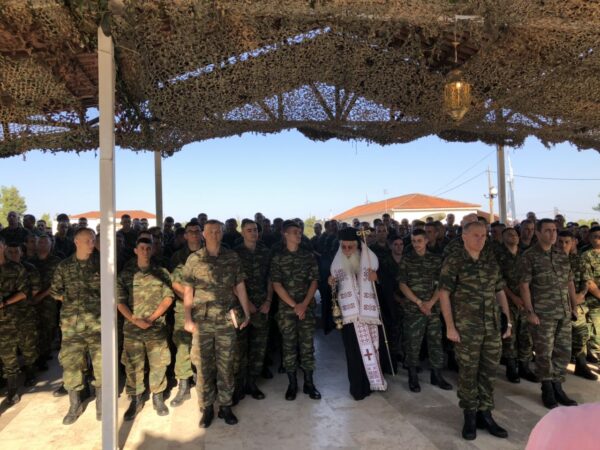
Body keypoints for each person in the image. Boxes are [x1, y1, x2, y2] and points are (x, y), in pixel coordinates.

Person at [439, 221, 512, 441]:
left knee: (489, 372)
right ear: (464, 236)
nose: (481, 239)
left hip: (491, 327)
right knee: (468, 373)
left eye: (484, 235)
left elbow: (500, 291)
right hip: (466, 329)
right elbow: (444, 294)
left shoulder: (490, 261)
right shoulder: (454, 261)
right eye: (476, 235)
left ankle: (485, 414)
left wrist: (507, 321)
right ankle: (470, 416)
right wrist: (450, 326)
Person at [182, 220, 252, 428]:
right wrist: (187, 318)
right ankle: (206, 407)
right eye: (210, 231)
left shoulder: (232, 257)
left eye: (218, 231)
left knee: (226, 364)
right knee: (203, 366)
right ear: (203, 234)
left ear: (222, 234)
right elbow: (188, 291)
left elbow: (240, 286)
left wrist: (247, 313)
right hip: (202, 321)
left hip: (225, 319)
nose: (214, 234)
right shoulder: (194, 259)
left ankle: (225, 406)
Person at [519, 219, 579, 409]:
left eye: (554, 230)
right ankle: (547, 389)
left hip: (563, 312)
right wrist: (530, 312)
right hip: (543, 314)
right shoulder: (529, 256)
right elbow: (524, 286)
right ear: (538, 233)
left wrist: (574, 306)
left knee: (563, 351)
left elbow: (569, 283)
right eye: (547, 231)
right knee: (544, 353)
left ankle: (558, 386)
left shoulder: (561, 254)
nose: (552, 234)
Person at [117, 238, 174, 420]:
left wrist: (151, 318)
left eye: (148, 248)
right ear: (135, 250)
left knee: (158, 363)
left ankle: (158, 396)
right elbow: (120, 302)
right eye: (141, 248)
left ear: (152, 250)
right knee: (133, 365)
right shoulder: (126, 274)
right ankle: (136, 399)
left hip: (155, 327)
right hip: (132, 329)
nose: (145, 251)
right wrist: (135, 320)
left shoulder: (162, 272)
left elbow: (168, 298)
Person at [50, 228, 102, 424]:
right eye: (88, 240)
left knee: (101, 364)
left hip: (98, 323)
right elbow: (55, 291)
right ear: (76, 242)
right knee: (71, 364)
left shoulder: (101, 264)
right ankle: (75, 405)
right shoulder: (64, 266)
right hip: (72, 325)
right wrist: (72, 302)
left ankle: (102, 404)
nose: (92, 244)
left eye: (93, 240)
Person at [329, 227, 387, 400]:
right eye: (344, 247)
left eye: (350, 247)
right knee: (353, 354)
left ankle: (372, 383)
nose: (347, 250)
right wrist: (330, 283)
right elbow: (331, 292)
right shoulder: (336, 265)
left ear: (358, 246)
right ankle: (357, 388)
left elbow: (388, 282)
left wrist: (378, 278)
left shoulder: (370, 260)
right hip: (350, 318)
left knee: (373, 349)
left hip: (369, 316)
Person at [271, 220, 321, 401]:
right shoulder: (278, 258)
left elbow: (314, 281)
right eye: (294, 232)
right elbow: (276, 284)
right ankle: (292, 384)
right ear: (285, 234)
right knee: (289, 347)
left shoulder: (308, 256)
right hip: (287, 311)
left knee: (307, 347)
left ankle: (309, 383)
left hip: (306, 308)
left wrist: (304, 304)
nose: (298, 235)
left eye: (300, 232)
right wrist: (295, 305)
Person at [399, 229, 451, 393]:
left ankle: (436, 375)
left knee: (435, 341)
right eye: (413, 241)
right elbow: (402, 284)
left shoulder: (436, 260)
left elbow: (441, 284)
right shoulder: (407, 259)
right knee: (412, 343)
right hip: (414, 309)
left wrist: (431, 303)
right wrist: (419, 303)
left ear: (427, 241)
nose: (416, 244)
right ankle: (413, 375)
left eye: (419, 241)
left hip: (432, 309)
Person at [233, 219, 272, 401]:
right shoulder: (235, 254)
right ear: (242, 233)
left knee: (258, 348)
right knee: (239, 349)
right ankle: (239, 385)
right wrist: (246, 303)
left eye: (255, 230)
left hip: (262, 306)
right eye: (249, 230)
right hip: (241, 307)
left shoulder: (265, 252)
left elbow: (271, 278)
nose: (253, 233)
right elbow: (232, 282)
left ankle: (252, 383)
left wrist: (268, 300)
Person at [496, 227, 537, 383]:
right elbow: (499, 281)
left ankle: (525, 367)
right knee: (510, 335)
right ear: (503, 238)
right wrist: (514, 298)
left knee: (526, 335)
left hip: (526, 301)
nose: (513, 237)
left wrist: (526, 300)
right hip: (508, 301)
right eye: (509, 235)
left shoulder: (525, 255)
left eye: (515, 234)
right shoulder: (499, 256)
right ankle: (511, 368)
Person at [556, 231, 595, 380]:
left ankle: (581, 365)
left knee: (580, 336)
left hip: (577, 304)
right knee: (557, 339)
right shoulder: (549, 259)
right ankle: (555, 371)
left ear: (573, 242)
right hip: (556, 305)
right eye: (560, 242)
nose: (563, 245)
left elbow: (586, 281)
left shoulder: (579, 260)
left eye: (567, 242)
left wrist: (581, 294)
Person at [0, 236, 28, 408]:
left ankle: (12, 390)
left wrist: (4, 303)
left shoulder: (16, 268)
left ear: (3, 247)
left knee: (9, 357)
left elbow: (24, 293)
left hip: (8, 321)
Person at [582, 226, 600, 364]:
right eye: (595, 236)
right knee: (598, 336)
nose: (598, 239)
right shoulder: (586, 256)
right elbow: (588, 281)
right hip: (595, 302)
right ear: (590, 238)